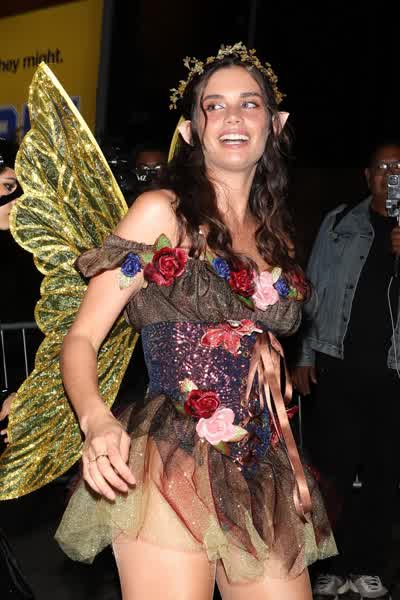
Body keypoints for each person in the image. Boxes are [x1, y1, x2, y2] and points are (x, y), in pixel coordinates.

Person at [0, 45, 336, 600]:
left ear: (274, 125)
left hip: (260, 460)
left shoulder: (275, 233)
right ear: (189, 130)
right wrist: (94, 420)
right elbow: (81, 337)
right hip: (170, 456)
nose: (233, 117)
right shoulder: (161, 213)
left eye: (249, 104)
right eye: (215, 105)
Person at [292, 140, 400, 598]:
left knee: (383, 473)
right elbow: (311, 289)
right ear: (367, 175)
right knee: (330, 473)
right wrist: (304, 355)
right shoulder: (339, 222)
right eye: (383, 167)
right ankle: (329, 567)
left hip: (393, 375)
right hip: (337, 367)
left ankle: (371, 566)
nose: (391, 175)